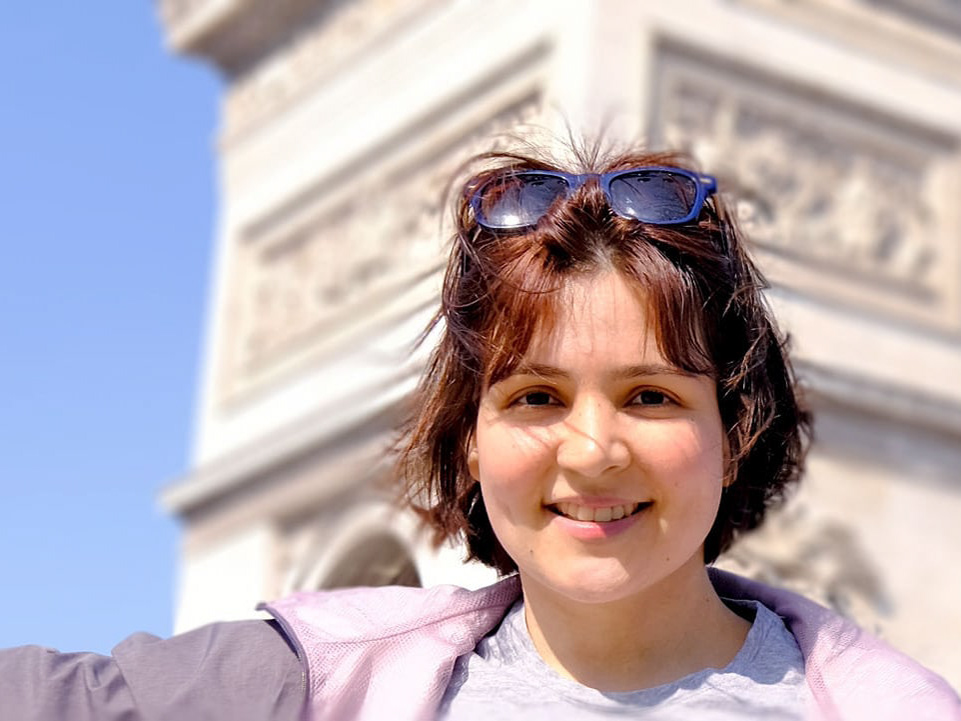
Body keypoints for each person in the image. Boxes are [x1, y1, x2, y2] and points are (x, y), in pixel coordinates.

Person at [1, 145, 958, 721]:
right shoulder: (300, 681)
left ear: (735, 428)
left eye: (650, 396)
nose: (591, 449)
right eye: (535, 397)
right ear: (468, 435)